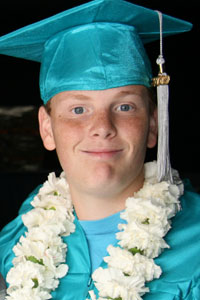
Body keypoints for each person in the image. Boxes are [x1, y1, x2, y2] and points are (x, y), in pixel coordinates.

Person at [0, 0, 199, 300]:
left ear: (154, 124)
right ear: (47, 129)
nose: (102, 126)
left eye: (124, 106)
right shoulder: (14, 245)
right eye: (78, 109)